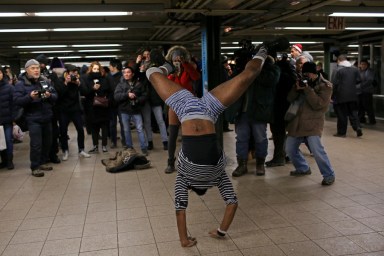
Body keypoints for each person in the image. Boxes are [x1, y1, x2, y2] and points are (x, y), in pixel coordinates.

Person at [146, 37, 289, 247]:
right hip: (205, 110)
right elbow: (184, 208)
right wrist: (192, 237)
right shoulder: (200, 178)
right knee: (152, 74)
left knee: (246, 76)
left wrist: (218, 232)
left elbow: (230, 204)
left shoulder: (208, 177)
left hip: (188, 109)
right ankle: (264, 49)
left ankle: (166, 65)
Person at [229, 55, 280, 177]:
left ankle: (260, 163)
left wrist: (259, 68)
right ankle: (242, 164)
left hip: (259, 111)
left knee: (260, 138)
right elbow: (232, 80)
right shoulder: (244, 69)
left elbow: (271, 80)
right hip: (242, 112)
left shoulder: (271, 70)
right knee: (241, 138)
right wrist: (241, 67)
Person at [285, 62, 335, 186]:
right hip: (296, 122)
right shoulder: (300, 82)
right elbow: (289, 99)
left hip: (313, 123)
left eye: (309, 74)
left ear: (315, 73)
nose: (307, 76)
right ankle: (303, 168)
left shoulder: (325, 86)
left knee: (317, 150)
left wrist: (307, 89)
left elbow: (319, 104)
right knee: (289, 149)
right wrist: (296, 88)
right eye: (304, 73)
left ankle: (329, 175)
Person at [13, 59, 58, 177]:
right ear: (27, 70)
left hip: (47, 117)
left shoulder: (45, 81)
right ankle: (35, 166)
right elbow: (17, 101)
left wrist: (49, 96)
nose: (36, 70)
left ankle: (43, 162)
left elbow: (55, 96)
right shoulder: (20, 84)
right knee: (36, 144)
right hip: (33, 118)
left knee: (47, 142)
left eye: (37, 68)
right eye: (33, 68)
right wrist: (30, 97)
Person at [163, 45, 201, 174]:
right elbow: (167, 85)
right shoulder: (169, 70)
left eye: (178, 60)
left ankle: (189, 161)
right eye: (175, 60)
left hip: (188, 104)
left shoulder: (189, 68)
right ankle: (170, 162)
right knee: (172, 135)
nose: (176, 62)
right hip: (174, 105)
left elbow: (196, 77)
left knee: (188, 135)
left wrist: (185, 64)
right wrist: (173, 73)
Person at [134, 49, 169, 150]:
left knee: (160, 120)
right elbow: (136, 77)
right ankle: (149, 141)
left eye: (148, 54)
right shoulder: (141, 66)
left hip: (155, 96)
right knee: (147, 122)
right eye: (145, 55)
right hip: (145, 98)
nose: (147, 56)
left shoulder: (156, 65)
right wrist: (140, 68)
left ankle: (165, 141)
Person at [266, 53, 297, 167]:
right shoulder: (292, 76)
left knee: (278, 134)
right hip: (290, 109)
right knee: (288, 134)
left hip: (277, 109)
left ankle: (279, 157)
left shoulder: (278, 76)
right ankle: (287, 155)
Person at [55, 64, 91, 160]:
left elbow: (86, 92)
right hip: (63, 110)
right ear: (67, 72)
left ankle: (81, 149)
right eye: (72, 72)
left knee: (80, 129)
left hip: (75, 109)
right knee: (63, 131)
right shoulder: (60, 80)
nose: (74, 74)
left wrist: (79, 84)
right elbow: (58, 95)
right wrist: (66, 83)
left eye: (76, 72)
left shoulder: (78, 79)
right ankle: (65, 150)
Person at [114, 66, 148, 155]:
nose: (126, 74)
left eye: (128, 72)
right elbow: (116, 97)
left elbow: (145, 96)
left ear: (132, 74)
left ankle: (144, 148)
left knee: (140, 129)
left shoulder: (139, 84)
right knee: (126, 130)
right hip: (124, 110)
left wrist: (137, 100)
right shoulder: (120, 85)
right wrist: (127, 95)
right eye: (124, 72)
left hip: (136, 110)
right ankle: (129, 148)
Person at [83, 61, 112, 153]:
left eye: (97, 69)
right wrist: (93, 89)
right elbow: (84, 92)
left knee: (104, 126)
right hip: (91, 106)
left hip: (103, 106)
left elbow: (109, 90)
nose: (96, 71)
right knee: (94, 127)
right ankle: (95, 146)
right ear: (91, 69)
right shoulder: (87, 79)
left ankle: (104, 145)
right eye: (94, 69)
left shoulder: (104, 78)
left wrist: (103, 93)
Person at [331, 55, 362, 137]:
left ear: (339, 61)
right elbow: (359, 80)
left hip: (340, 96)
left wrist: (331, 96)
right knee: (353, 112)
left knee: (342, 114)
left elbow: (334, 84)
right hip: (353, 95)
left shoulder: (337, 70)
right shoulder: (355, 69)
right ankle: (357, 127)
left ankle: (342, 132)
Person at [107, 58, 125, 148]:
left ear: (115, 66)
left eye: (110, 65)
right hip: (111, 104)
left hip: (121, 103)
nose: (109, 67)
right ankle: (113, 141)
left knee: (123, 123)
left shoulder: (122, 76)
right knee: (112, 124)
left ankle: (124, 141)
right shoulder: (108, 76)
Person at [0, 67, 14, 170]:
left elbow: (14, 104)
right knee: (0, 141)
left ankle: (9, 161)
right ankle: (3, 161)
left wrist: (14, 118)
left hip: (7, 119)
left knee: (8, 140)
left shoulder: (9, 87)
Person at [358, 59, 376, 125]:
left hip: (367, 92)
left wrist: (359, 85)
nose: (363, 66)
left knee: (368, 106)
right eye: (361, 64)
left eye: (364, 64)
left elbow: (369, 80)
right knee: (360, 106)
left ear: (367, 65)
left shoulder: (370, 71)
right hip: (360, 92)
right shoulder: (360, 71)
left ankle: (372, 120)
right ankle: (361, 119)